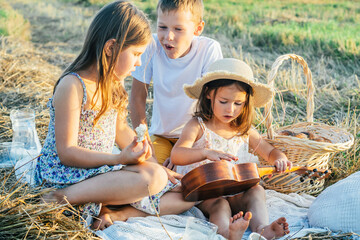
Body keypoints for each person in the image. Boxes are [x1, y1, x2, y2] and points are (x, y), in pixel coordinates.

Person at [34, 1, 193, 230]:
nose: (139, 63)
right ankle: (60, 198)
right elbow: (67, 152)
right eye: (136, 54)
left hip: (97, 172)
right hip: (66, 174)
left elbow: (121, 131)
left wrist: (154, 164)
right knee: (152, 179)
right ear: (111, 48)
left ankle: (112, 211)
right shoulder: (73, 85)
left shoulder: (113, 84)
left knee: (183, 192)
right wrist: (118, 160)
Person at [171, 58, 292, 240]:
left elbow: (269, 151)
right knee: (220, 204)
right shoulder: (198, 126)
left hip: (237, 190)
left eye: (238, 103)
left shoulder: (244, 130)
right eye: (224, 101)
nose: (231, 109)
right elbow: (177, 155)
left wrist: (279, 158)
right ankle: (228, 233)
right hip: (206, 193)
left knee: (257, 191)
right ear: (209, 94)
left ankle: (262, 228)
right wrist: (205, 152)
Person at [130, 0, 223, 166]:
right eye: (162, 27)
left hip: (197, 137)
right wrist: (144, 142)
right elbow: (137, 98)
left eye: (178, 29)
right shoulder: (151, 47)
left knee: (200, 178)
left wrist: (181, 152)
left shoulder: (209, 50)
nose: (168, 36)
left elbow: (214, 103)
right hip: (161, 136)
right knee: (151, 172)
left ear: (198, 29)